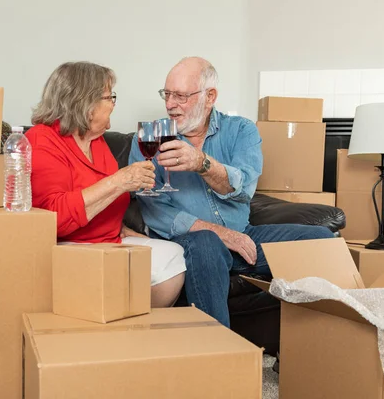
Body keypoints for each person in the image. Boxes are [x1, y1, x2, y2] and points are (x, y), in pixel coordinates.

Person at [128, 57, 334, 327]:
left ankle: (312, 343)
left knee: (322, 239)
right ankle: (221, 357)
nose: (169, 104)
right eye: (167, 94)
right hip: (189, 244)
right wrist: (219, 233)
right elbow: (153, 207)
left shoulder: (241, 131)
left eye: (180, 96)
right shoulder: (150, 137)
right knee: (207, 242)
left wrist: (202, 163)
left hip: (243, 238)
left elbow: (244, 187)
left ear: (210, 96)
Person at [26, 61, 186, 308]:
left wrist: (117, 226)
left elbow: (103, 200)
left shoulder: (96, 141)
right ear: (84, 102)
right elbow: (54, 216)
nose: (113, 104)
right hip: (69, 248)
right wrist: (119, 181)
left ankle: (137, 326)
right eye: (109, 97)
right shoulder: (42, 139)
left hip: (107, 242)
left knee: (172, 255)